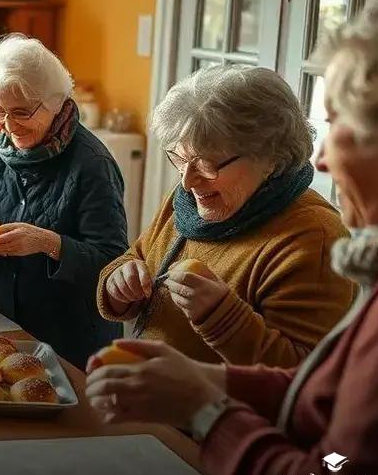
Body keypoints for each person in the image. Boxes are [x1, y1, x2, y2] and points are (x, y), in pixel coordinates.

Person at [84, 0, 378, 475]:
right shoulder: (186, 202)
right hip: (163, 441)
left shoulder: (328, 245)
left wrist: (204, 407)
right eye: (179, 159)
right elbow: (320, 394)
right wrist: (195, 378)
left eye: (338, 124)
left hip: (221, 470)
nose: (322, 157)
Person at [97, 65, 354, 366]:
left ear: (270, 158)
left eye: (207, 165)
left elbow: (301, 377)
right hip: (147, 395)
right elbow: (136, 257)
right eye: (180, 159)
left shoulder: (315, 238)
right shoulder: (188, 200)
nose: (188, 181)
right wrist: (118, 283)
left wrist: (222, 316)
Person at [0, 34, 128, 365]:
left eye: (21, 112)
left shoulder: (92, 164)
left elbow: (113, 262)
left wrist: (47, 242)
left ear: (55, 104)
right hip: (7, 327)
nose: (9, 126)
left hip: (71, 338)